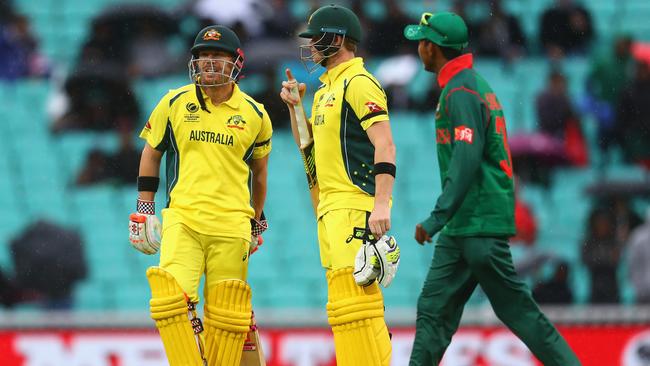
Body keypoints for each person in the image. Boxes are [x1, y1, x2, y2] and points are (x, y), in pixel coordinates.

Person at [403, 12, 580, 365]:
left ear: (433, 47)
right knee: (433, 310)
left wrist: (437, 217)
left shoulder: (462, 92)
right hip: (466, 224)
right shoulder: (466, 85)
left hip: (477, 221)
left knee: (519, 312)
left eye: (422, 41)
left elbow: (466, 158)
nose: (418, 47)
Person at [128, 25, 272, 366]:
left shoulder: (255, 115)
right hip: (183, 220)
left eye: (216, 57)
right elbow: (151, 152)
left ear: (235, 62)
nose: (207, 63)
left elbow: (260, 173)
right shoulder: (175, 101)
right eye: (202, 56)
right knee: (171, 300)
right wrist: (145, 207)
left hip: (231, 226)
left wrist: (256, 219)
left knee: (226, 316)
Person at [279, 4, 397, 365]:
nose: (312, 45)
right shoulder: (324, 88)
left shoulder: (359, 82)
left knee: (356, 304)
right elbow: (310, 150)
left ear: (340, 39)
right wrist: (296, 108)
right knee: (343, 305)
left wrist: (381, 204)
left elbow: (385, 143)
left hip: (354, 205)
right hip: (330, 210)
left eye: (318, 38)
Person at [628, 208, 650, 303]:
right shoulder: (638, 237)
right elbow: (633, 264)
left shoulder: (637, 236)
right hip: (644, 291)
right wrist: (639, 287)